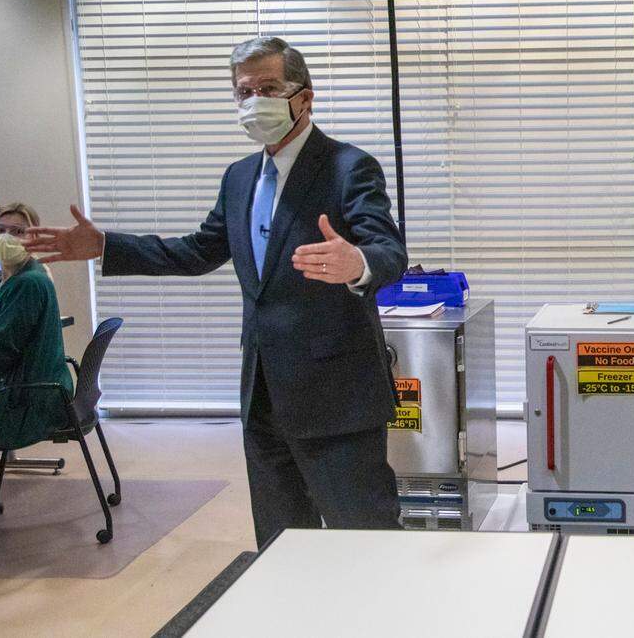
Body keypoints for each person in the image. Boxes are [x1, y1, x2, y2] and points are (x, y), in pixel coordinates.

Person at [25, 37, 408, 546]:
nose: (254, 102)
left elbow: (389, 250)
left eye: (267, 88)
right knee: (281, 541)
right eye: (243, 91)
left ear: (304, 97)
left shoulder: (348, 166)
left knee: (365, 540)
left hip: (336, 396)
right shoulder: (240, 178)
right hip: (263, 396)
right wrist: (105, 246)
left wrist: (357, 262)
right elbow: (196, 252)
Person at [0, 204, 73, 451]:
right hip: (29, 389)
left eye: (17, 231)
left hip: (29, 400)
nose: (6, 237)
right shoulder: (8, 278)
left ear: (34, 237)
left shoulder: (28, 283)